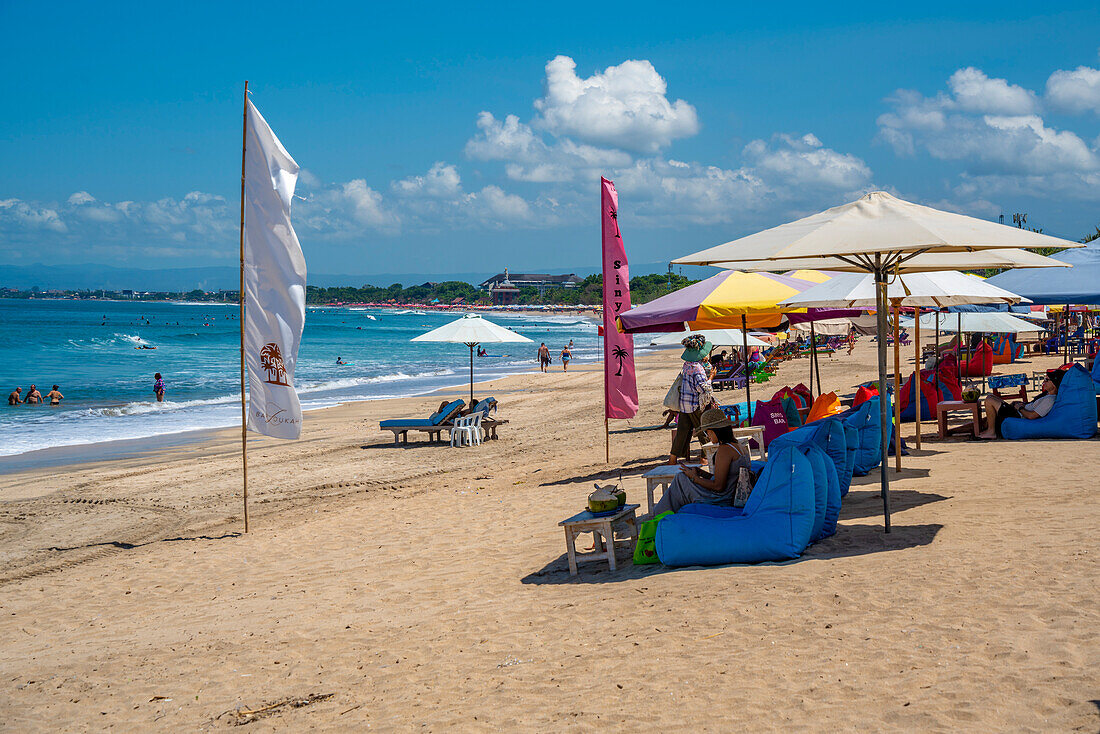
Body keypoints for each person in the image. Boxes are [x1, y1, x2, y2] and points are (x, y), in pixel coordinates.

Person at [652, 408, 753, 515]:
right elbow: (725, 478)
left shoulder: (725, 450)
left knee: (680, 479)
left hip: (722, 498)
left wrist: (694, 478)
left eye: (707, 432)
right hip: (730, 493)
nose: (707, 436)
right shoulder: (738, 446)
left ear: (714, 431)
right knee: (682, 479)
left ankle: (660, 517)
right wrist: (702, 474)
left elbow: (719, 486)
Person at [668, 335, 719, 464]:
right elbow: (702, 388)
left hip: (684, 404)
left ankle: (672, 459)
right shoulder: (697, 368)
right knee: (704, 430)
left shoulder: (687, 365)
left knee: (682, 432)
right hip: (696, 405)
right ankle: (704, 458)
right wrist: (711, 377)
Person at [978, 370, 1062, 439]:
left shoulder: (1050, 400)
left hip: (1018, 415)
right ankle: (973, 430)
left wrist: (1020, 408)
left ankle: (991, 432)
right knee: (987, 417)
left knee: (989, 399)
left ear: (1054, 384)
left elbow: (1032, 416)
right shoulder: (1046, 394)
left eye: (1047, 380)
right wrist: (1023, 404)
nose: (1044, 381)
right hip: (1018, 411)